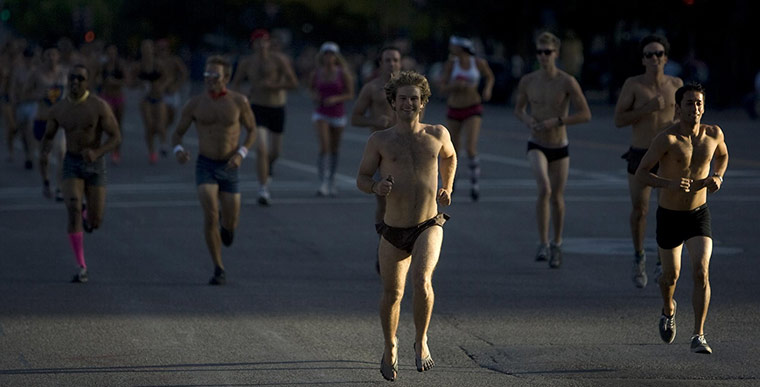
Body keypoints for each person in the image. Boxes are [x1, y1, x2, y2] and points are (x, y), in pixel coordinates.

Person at [356, 71, 456, 381]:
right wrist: (376, 188)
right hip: (393, 228)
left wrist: (448, 187)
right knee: (392, 294)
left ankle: (421, 339)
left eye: (414, 98)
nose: (408, 103)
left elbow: (450, 158)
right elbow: (361, 178)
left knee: (422, 280)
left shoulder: (437, 134)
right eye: (402, 99)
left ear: (423, 102)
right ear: (393, 103)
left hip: (429, 223)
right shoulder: (380, 140)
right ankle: (390, 346)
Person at [635, 83, 728, 354]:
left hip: (699, 214)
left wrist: (718, 177)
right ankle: (668, 308)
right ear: (678, 108)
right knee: (670, 276)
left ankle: (698, 334)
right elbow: (642, 173)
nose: (695, 108)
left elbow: (722, 156)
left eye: (699, 103)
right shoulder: (667, 139)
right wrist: (668, 184)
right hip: (670, 216)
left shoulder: (714, 133)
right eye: (689, 103)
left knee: (701, 271)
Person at [172, 55, 257, 285]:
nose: (209, 79)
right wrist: (178, 150)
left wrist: (241, 154)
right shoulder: (195, 104)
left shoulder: (239, 101)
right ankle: (218, 267)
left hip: (230, 165)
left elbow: (252, 131)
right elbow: (177, 134)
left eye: (215, 75)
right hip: (206, 164)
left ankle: (227, 227)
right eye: (206, 75)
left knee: (230, 222)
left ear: (226, 78)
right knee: (210, 214)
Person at [514, 31, 592, 268]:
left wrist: (558, 121)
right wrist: (529, 121)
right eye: (539, 52)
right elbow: (519, 110)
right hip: (536, 143)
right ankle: (543, 242)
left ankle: (557, 244)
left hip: (559, 144)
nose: (543, 56)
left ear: (556, 54)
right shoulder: (528, 81)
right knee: (544, 188)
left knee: (557, 197)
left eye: (547, 52)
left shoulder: (566, 81)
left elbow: (585, 114)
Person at [39, 64, 122, 283]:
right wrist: (44, 171)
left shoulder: (99, 106)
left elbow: (115, 137)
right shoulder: (59, 110)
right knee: (73, 207)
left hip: (95, 165)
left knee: (96, 222)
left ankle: (89, 216)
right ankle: (81, 266)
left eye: (80, 79)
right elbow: (47, 139)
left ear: (88, 82)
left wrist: (98, 152)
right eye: (72, 79)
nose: (75, 82)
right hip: (72, 163)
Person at [614, 35, 683, 288]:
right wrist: (648, 108)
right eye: (649, 55)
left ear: (665, 57)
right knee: (640, 210)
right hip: (640, 153)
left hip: (666, 155)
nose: (654, 58)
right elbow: (619, 119)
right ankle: (639, 256)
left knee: (666, 211)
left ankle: (660, 260)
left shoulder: (676, 84)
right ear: (643, 60)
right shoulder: (633, 85)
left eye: (658, 53)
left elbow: (685, 118)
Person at [231, 29, 298, 206]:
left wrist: (274, 85)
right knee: (261, 148)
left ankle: (268, 169)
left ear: (269, 43)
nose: (261, 45)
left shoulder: (279, 60)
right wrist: (243, 95)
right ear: (252, 44)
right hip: (257, 107)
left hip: (277, 107)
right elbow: (235, 84)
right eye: (257, 41)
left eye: (264, 41)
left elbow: (293, 83)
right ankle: (263, 189)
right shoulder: (247, 63)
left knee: (275, 152)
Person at [351, 46, 402, 245]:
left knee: (406, 199)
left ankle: (403, 244)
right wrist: (373, 120)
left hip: (405, 149)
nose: (392, 64)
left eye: (396, 60)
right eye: (388, 60)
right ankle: (384, 246)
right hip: (381, 150)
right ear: (381, 63)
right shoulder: (372, 88)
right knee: (383, 199)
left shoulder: (409, 88)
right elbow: (355, 118)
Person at [438, 36, 494, 201]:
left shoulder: (477, 63)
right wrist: (454, 86)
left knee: (470, 147)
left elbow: (490, 76)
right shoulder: (451, 65)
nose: (451, 48)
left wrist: (488, 89)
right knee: (453, 148)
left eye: (453, 45)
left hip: (472, 106)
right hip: (454, 107)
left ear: (461, 47)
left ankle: (474, 184)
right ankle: (451, 182)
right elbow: (442, 87)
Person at [309, 42, 355, 196]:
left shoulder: (342, 73)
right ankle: (322, 181)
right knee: (324, 147)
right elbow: (310, 88)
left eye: (332, 54)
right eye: (326, 54)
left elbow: (350, 93)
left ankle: (332, 179)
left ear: (336, 57)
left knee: (335, 148)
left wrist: (336, 99)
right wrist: (314, 96)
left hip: (337, 113)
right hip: (321, 112)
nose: (329, 57)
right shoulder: (317, 73)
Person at [28, 47, 68, 201]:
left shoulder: (63, 73)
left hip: (58, 120)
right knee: (44, 156)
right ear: (44, 57)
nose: (51, 57)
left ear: (58, 57)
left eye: (54, 54)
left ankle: (59, 188)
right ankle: (46, 181)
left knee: (62, 153)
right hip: (42, 118)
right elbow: (25, 92)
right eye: (48, 55)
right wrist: (40, 95)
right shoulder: (36, 73)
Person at [135, 39, 169, 164]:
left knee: (160, 123)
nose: (147, 51)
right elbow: (132, 80)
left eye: (149, 48)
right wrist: (140, 84)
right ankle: (151, 152)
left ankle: (163, 143)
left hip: (158, 97)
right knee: (149, 125)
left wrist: (161, 86)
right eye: (144, 49)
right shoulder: (139, 66)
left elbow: (166, 78)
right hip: (145, 98)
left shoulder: (158, 64)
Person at [97, 44, 128, 165]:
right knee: (109, 124)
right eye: (109, 53)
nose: (111, 55)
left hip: (118, 97)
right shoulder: (103, 66)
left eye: (113, 53)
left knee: (119, 125)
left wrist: (115, 82)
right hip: (107, 97)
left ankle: (117, 150)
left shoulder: (120, 66)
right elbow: (97, 79)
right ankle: (108, 147)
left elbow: (126, 80)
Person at [157, 39, 189, 129]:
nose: (162, 51)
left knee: (171, 118)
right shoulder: (156, 62)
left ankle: (164, 131)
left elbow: (184, 73)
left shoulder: (174, 60)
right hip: (160, 93)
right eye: (160, 49)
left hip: (171, 92)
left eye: (163, 49)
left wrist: (177, 85)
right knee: (161, 117)